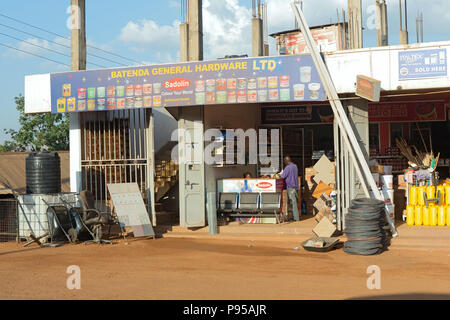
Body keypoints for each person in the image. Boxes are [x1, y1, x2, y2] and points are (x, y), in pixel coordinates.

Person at [280, 156, 299, 221]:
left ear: (286, 161)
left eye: (284, 161)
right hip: (295, 186)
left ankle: (296, 218)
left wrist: (279, 174)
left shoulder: (287, 167)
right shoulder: (295, 166)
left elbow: (282, 176)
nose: (284, 162)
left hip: (290, 187)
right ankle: (293, 217)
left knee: (293, 203)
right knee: (294, 202)